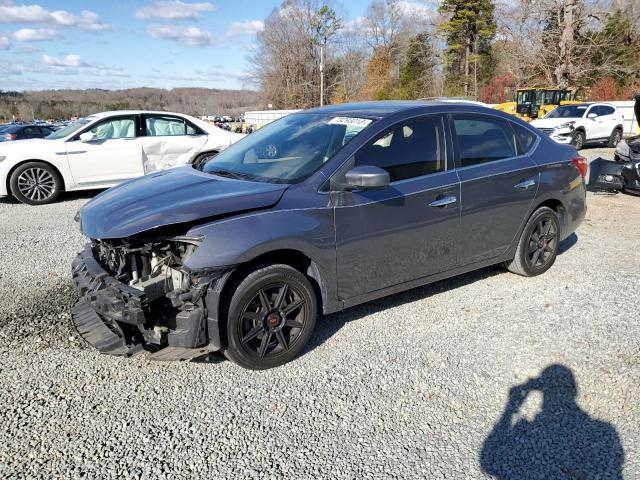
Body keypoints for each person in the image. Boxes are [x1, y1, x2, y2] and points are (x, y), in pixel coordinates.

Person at [481, 364, 624, 479]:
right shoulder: (605, 431)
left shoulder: (604, 431)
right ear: (574, 389)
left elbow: (488, 462)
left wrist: (510, 407)